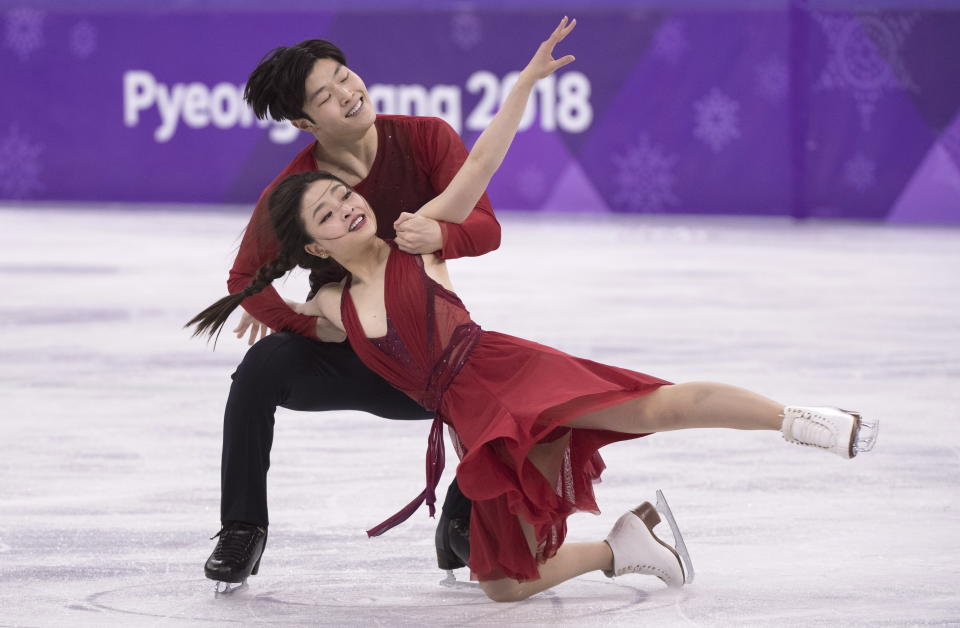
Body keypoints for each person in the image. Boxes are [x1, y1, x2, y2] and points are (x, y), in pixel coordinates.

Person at [189, 17, 878, 601]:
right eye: (331, 212)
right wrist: (291, 318)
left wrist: (519, 90)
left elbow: (480, 171)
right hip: (462, 409)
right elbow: (248, 279)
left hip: (498, 376)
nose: (348, 204)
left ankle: (798, 420)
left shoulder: (411, 236)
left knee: (652, 406)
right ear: (311, 238)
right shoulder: (330, 290)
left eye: (345, 76)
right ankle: (627, 547)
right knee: (503, 584)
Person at [204, 35, 492, 590]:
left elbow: (486, 227)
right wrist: (308, 324)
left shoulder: (426, 137)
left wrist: (443, 234)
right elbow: (245, 279)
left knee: (489, 392)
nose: (348, 93)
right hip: (346, 349)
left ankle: (460, 516)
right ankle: (243, 529)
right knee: (259, 370)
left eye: (344, 75)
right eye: (325, 95)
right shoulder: (295, 191)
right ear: (301, 121)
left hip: (422, 350)